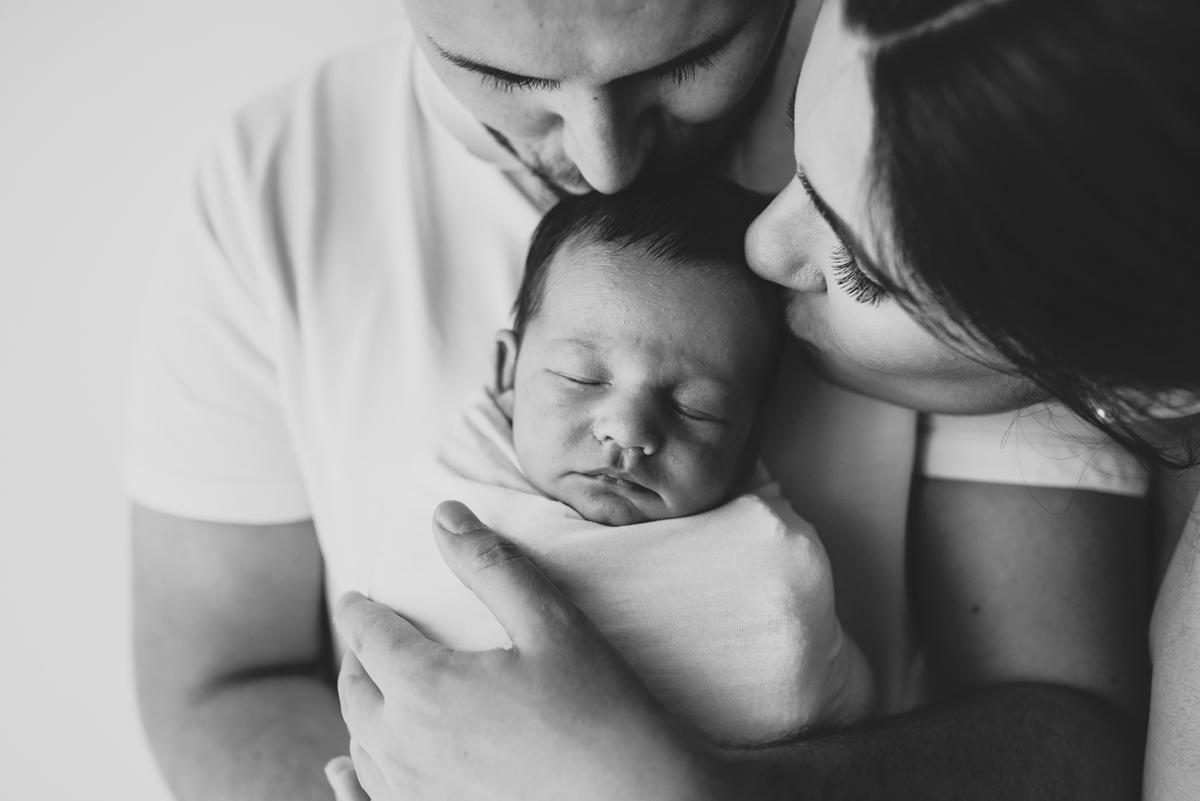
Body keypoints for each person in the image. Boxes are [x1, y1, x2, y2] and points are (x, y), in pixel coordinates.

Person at [128, 0, 1148, 799]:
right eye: (505, 75)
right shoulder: (275, 180)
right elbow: (218, 686)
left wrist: (708, 793)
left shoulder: (938, 128)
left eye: (685, 60)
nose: (604, 159)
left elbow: (1079, 741)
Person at [417, 178, 874, 744]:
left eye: (697, 408)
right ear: (507, 372)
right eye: (581, 377)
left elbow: (843, 720)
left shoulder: (768, 563)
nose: (628, 430)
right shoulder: (456, 479)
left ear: (751, 441)